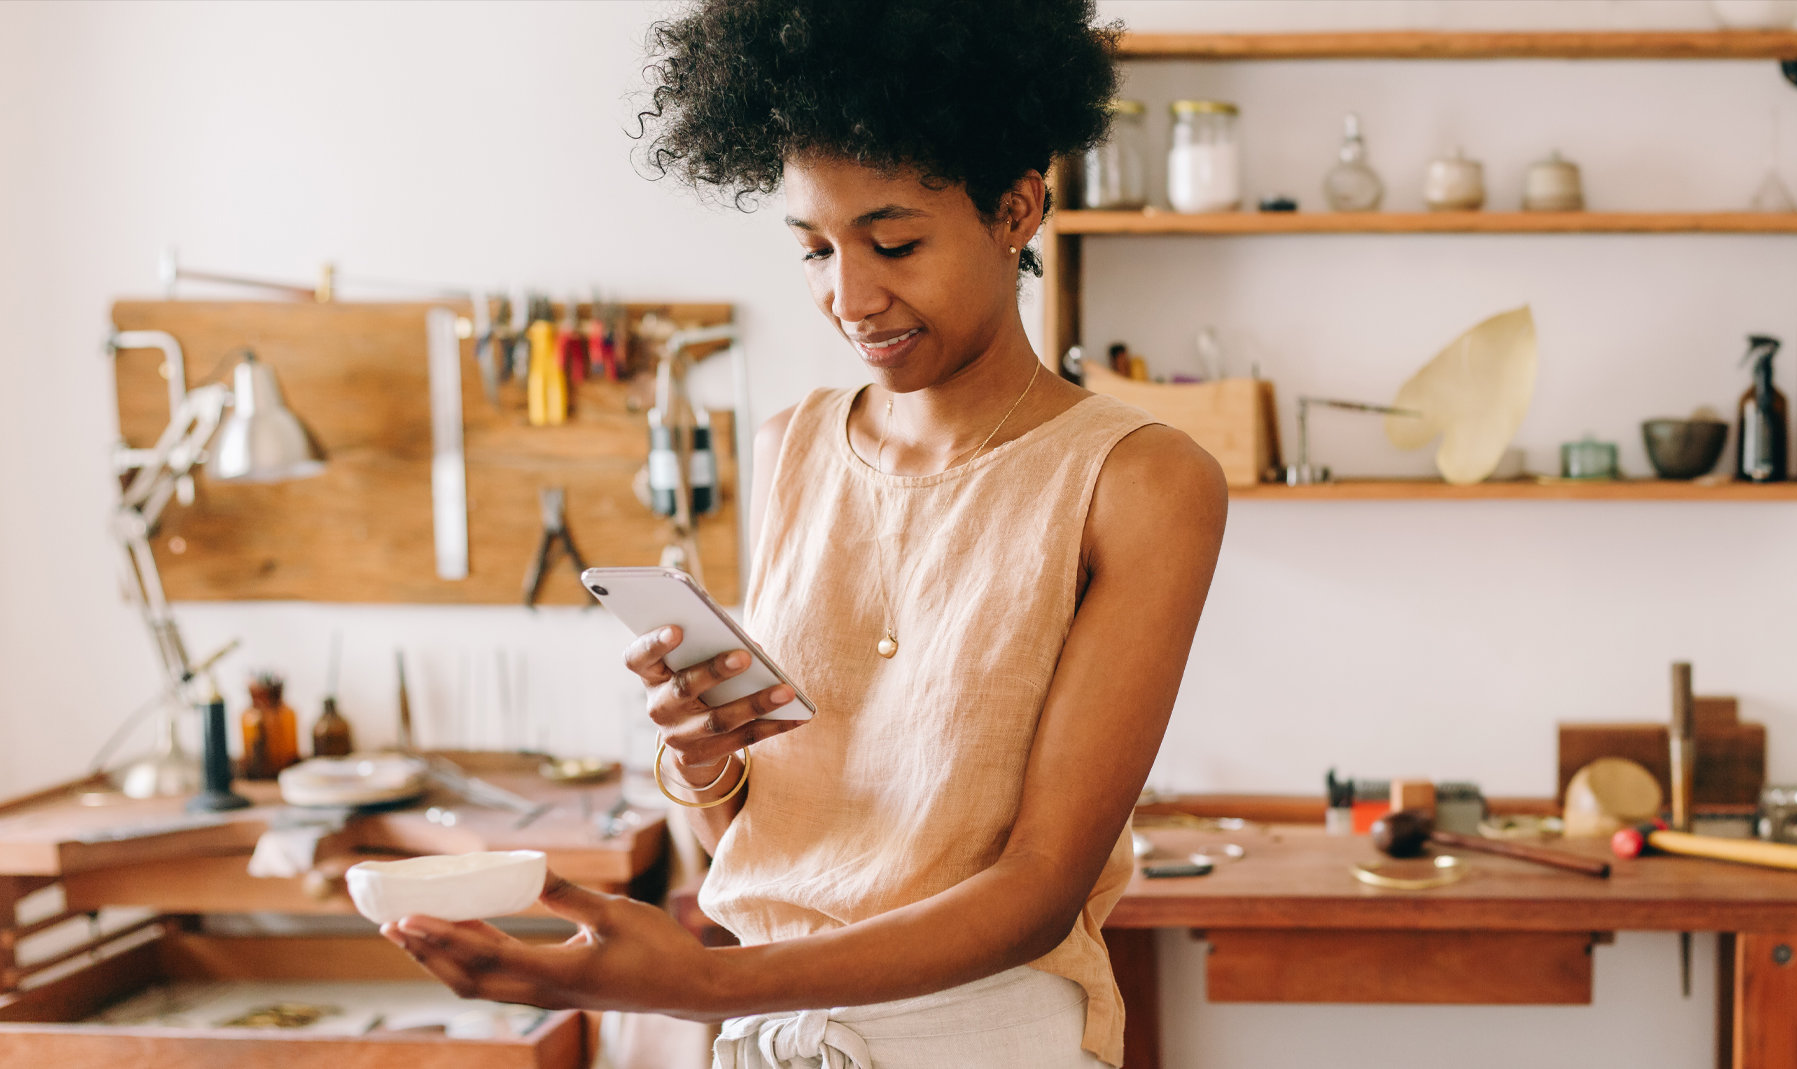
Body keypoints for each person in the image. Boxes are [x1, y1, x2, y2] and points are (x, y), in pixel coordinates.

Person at [381, 2, 1227, 1066]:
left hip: (975, 1036)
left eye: (894, 242)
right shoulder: (790, 447)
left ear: (1015, 210)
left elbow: (1038, 889)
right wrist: (702, 764)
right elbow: (752, 849)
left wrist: (709, 979)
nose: (849, 295)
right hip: (765, 1030)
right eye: (815, 249)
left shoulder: (1140, 480)